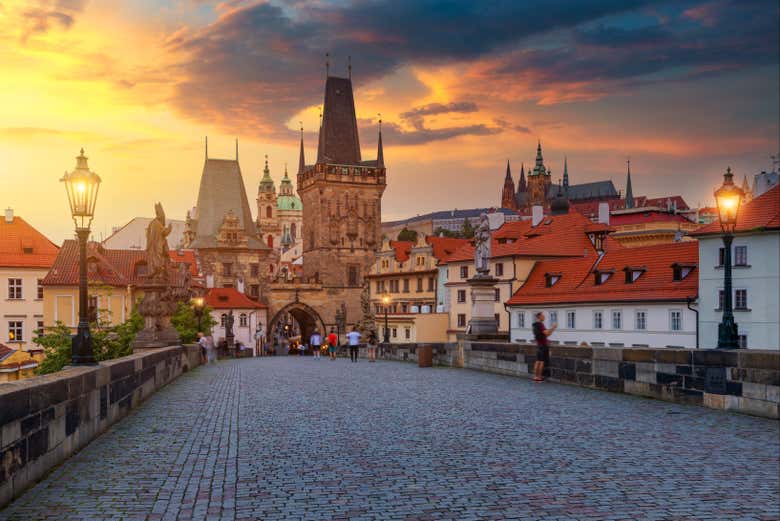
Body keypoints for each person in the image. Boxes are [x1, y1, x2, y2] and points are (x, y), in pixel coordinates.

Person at [532, 312, 556, 382]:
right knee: (541, 362)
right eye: (543, 316)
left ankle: (535, 376)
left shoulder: (535, 325)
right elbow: (547, 333)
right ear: (539, 317)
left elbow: (545, 335)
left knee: (538, 361)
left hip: (539, 344)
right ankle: (539, 377)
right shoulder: (540, 325)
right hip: (542, 345)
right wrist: (553, 327)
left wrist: (548, 336)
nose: (544, 317)